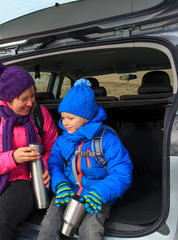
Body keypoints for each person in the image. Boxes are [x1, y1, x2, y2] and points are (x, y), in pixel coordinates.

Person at [0, 61, 58, 240]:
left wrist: (45, 167)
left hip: (27, 180)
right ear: (7, 99)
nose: (31, 102)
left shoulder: (40, 114)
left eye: (33, 95)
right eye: (24, 99)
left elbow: (55, 149)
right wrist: (12, 158)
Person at [38, 79, 133, 240]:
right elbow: (54, 165)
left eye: (70, 118)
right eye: (62, 117)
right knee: (49, 224)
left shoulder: (107, 140)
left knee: (90, 229)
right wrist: (60, 185)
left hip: (96, 195)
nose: (64, 123)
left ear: (86, 117)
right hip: (67, 190)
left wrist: (100, 193)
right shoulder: (63, 141)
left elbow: (122, 173)